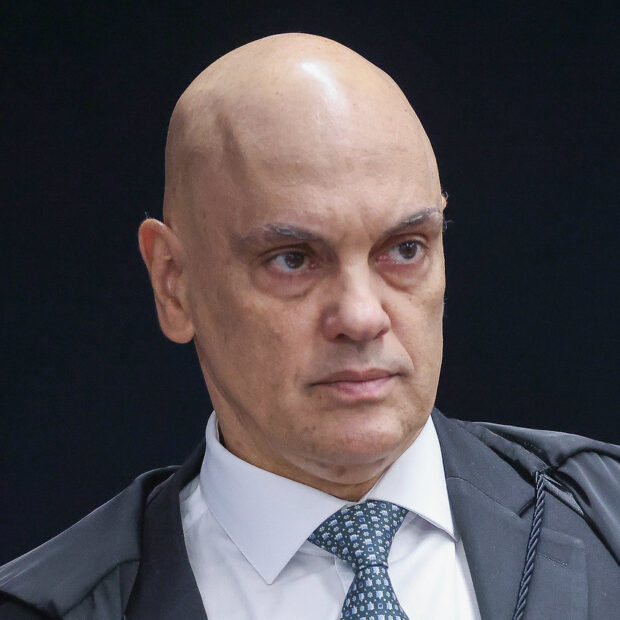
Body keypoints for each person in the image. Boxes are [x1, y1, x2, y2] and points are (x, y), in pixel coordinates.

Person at [1, 33, 618, 620]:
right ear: (173, 282)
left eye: (404, 249)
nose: (362, 317)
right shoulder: (48, 605)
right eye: (293, 260)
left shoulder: (604, 513)